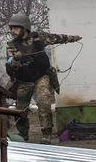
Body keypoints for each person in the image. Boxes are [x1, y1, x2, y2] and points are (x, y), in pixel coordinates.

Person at [4, 13, 80, 143]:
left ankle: (46, 134)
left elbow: (57, 38)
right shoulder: (11, 45)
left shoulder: (39, 38)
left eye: (16, 28)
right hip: (24, 81)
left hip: (41, 76)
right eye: (11, 28)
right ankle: (23, 134)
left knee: (44, 101)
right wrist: (15, 60)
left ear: (24, 28)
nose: (13, 31)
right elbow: (10, 67)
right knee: (20, 109)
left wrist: (75, 38)